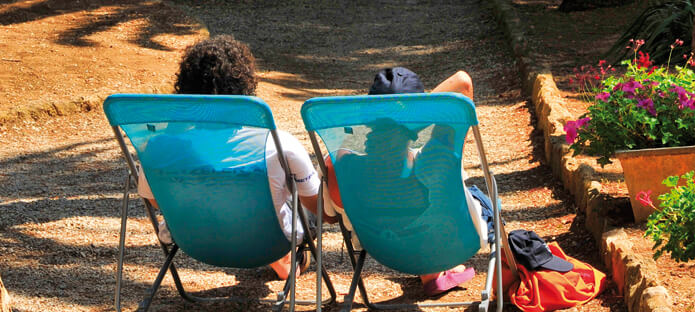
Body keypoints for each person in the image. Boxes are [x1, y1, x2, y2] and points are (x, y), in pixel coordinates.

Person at [135, 35, 331, 279]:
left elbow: (156, 202)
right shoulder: (279, 144)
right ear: (245, 88)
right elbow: (318, 207)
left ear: (184, 89)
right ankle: (287, 256)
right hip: (266, 240)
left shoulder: (156, 146)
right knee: (304, 200)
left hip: (195, 240)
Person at [327, 65, 489, 297]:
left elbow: (333, 212)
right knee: (469, 195)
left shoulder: (342, 164)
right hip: (446, 241)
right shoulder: (435, 159)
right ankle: (436, 269)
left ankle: (432, 271)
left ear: (370, 118)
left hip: (384, 248)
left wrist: (388, 119)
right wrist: (416, 118)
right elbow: (463, 82)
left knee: (410, 208)